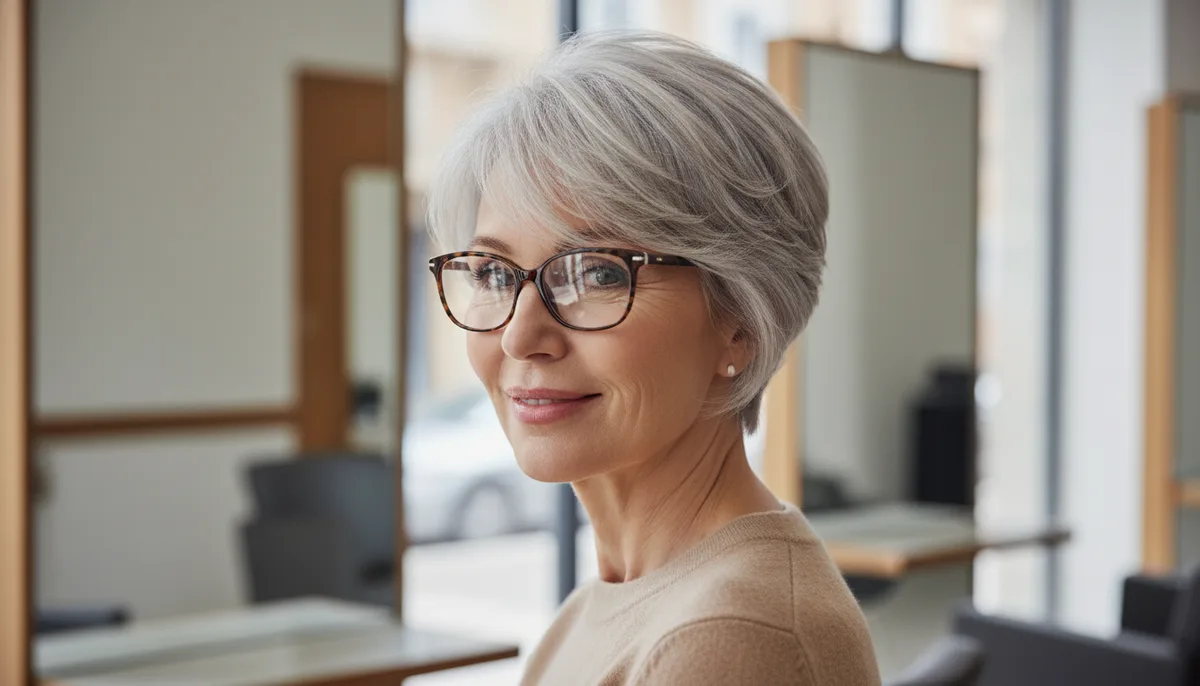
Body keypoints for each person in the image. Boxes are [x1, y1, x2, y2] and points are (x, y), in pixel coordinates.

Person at [424, 30, 880, 686]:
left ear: (740, 322)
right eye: (494, 273)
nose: (520, 337)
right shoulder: (601, 608)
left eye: (598, 273)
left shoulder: (729, 639)